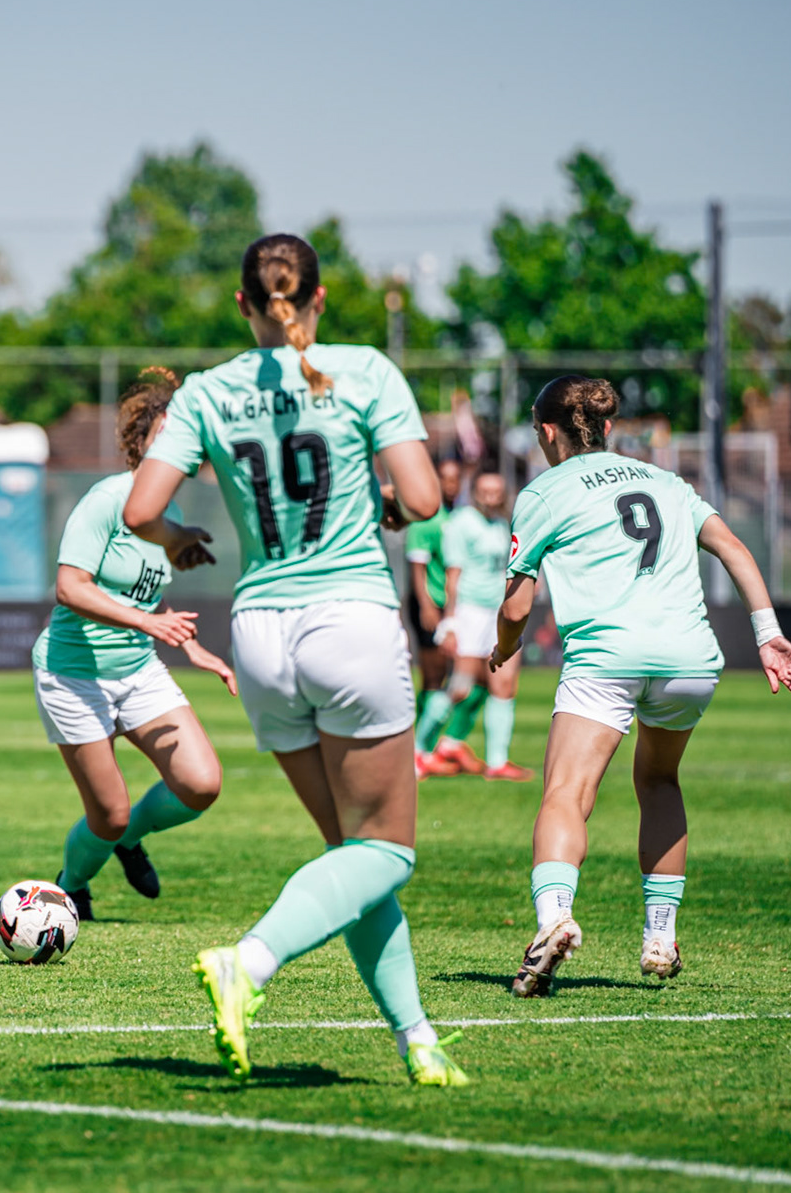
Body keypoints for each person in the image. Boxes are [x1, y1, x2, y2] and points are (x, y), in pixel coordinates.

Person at [123, 232, 468, 1088]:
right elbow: (425, 500)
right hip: (347, 619)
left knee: (353, 856)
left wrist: (178, 536)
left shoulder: (208, 391)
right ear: (319, 299)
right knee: (387, 852)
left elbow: (139, 511)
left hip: (262, 633)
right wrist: (384, 499)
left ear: (244, 304)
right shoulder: (364, 369)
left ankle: (417, 1040)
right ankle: (251, 961)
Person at [492, 376, 791, 997]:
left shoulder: (543, 491)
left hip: (609, 657)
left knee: (566, 791)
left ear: (548, 432)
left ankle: (553, 919)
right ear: (607, 429)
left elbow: (515, 609)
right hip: (690, 659)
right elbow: (734, 549)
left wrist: (503, 650)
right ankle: (659, 936)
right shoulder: (665, 482)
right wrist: (767, 634)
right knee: (659, 781)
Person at [36, 367, 234, 922]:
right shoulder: (108, 500)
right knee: (109, 815)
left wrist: (184, 641)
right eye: (169, 430)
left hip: (136, 668)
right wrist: (150, 626)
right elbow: (71, 587)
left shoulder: (165, 514)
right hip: (73, 672)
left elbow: (140, 603)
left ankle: (126, 842)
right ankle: (72, 883)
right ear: (143, 437)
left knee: (201, 784)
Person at [414, 472, 531, 781]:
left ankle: (497, 762)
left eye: (496, 490)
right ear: (474, 491)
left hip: (499, 612)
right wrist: (450, 622)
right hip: (469, 612)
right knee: (460, 688)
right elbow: (453, 576)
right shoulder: (460, 524)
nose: (491, 496)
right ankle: (417, 751)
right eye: (484, 490)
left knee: (503, 686)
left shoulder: (503, 524)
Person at [405, 458, 492, 776]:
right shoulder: (426, 518)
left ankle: (449, 743)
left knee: (478, 679)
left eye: (456, 478)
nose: (451, 484)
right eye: (445, 478)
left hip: (460, 608)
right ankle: (418, 751)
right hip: (432, 608)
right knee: (436, 679)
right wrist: (428, 607)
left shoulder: (463, 518)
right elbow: (417, 567)